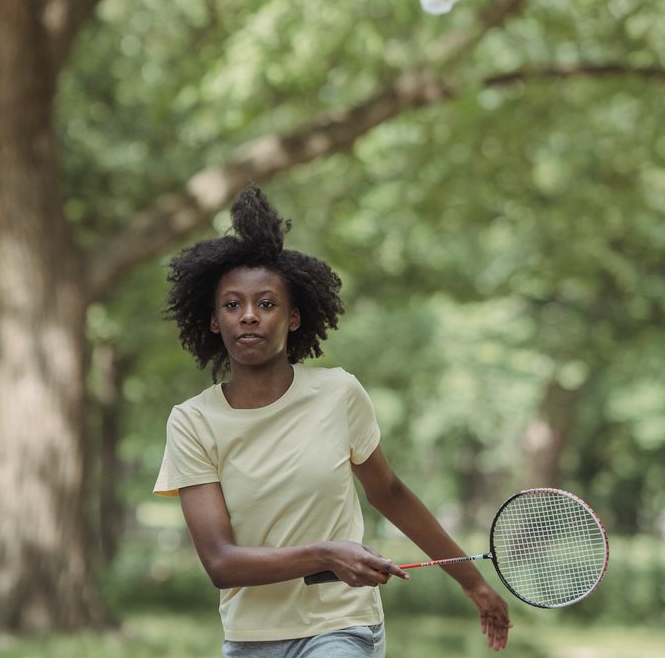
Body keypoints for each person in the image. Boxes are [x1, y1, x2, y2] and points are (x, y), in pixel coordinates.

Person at [154, 186, 511, 656]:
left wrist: (473, 582)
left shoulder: (338, 393)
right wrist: (326, 554)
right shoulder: (193, 422)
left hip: (341, 625)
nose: (248, 317)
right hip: (250, 638)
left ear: (295, 318)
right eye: (232, 305)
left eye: (266, 304)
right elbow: (220, 563)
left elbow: (390, 493)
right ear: (214, 321)